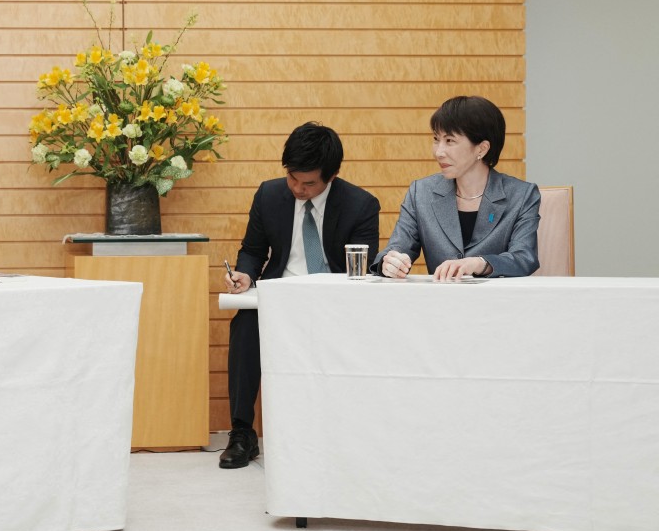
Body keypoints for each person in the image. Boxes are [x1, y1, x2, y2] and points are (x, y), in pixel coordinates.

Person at [221, 122, 381, 469]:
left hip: (333, 301)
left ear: (331, 176)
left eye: (309, 183)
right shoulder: (268, 194)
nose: (298, 188)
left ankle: (347, 430)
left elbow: (363, 269)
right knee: (245, 326)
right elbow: (252, 250)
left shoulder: (361, 205)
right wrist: (245, 273)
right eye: (293, 178)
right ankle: (243, 433)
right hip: (280, 294)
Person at [372, 95, 540, 280]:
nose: (438, 152)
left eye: (450, 141)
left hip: (499, 304)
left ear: (482, 149)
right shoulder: (421, 192)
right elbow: (396, 248)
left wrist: (479, 263)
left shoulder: (522, 195)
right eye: (436, 139)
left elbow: (524, 258)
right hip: (441, 304)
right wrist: (389, 263)